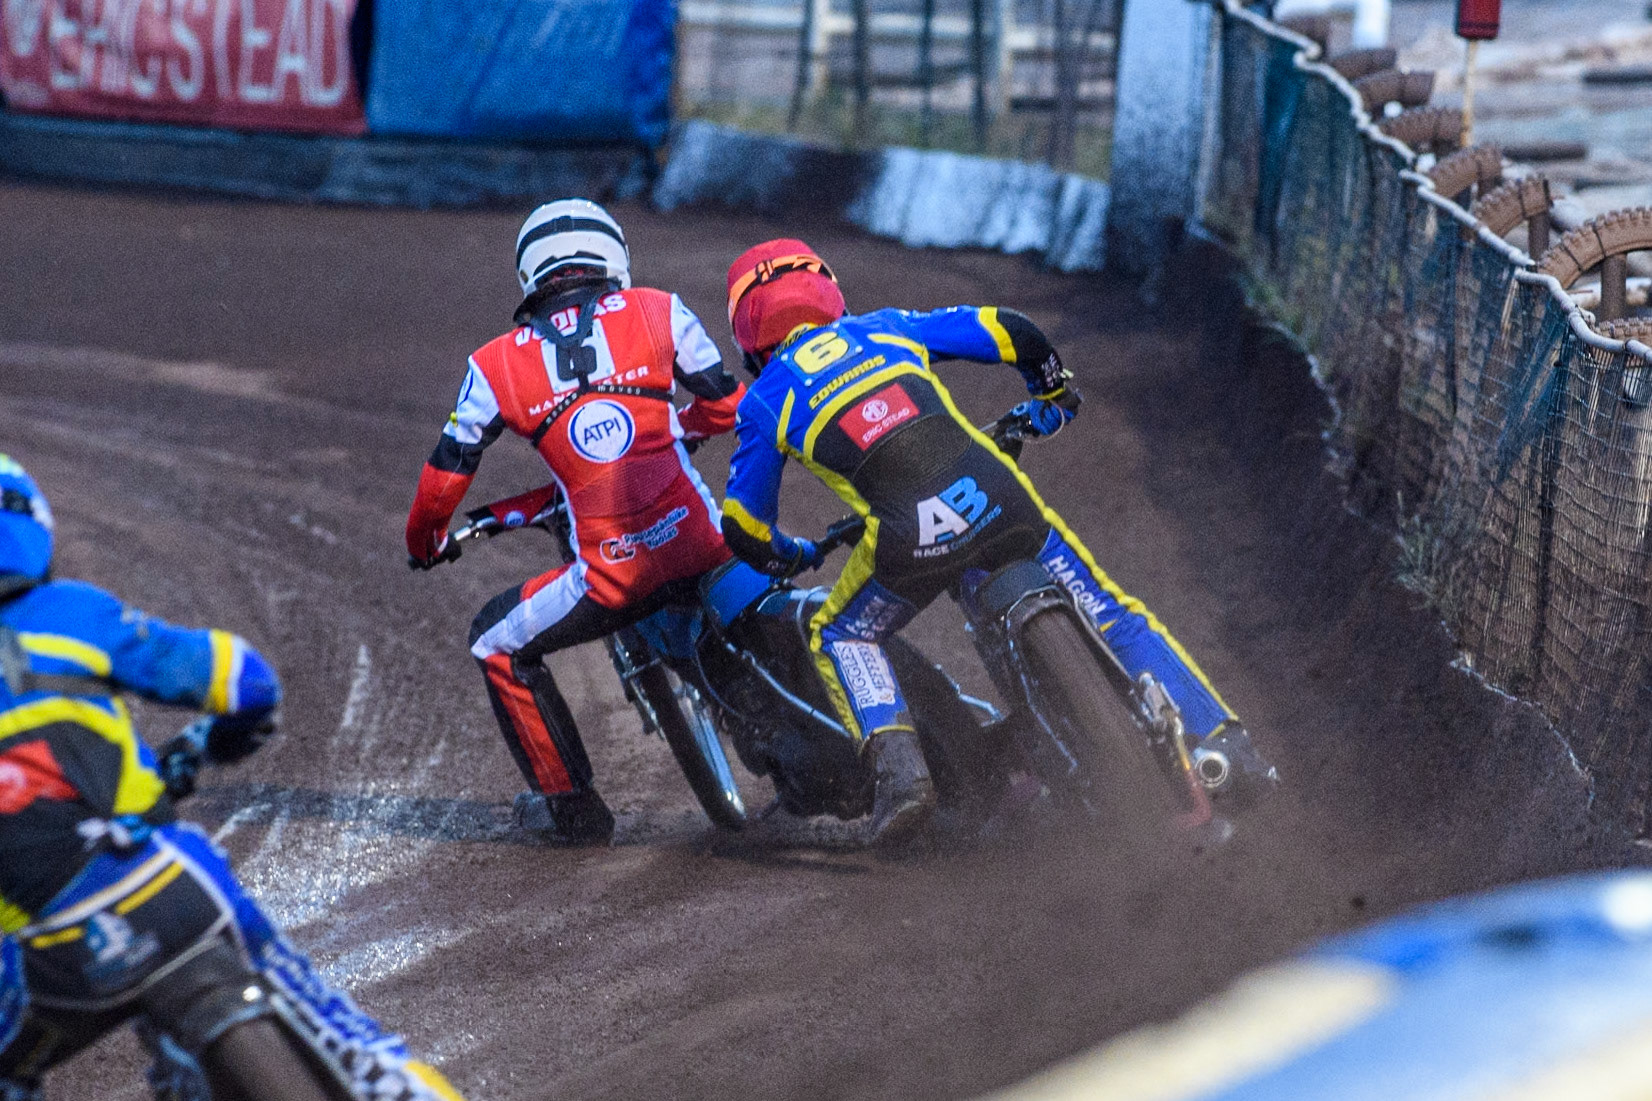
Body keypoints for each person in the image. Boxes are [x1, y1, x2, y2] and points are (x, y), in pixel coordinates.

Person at [719, 239, 1279, 843]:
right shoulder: (883, 329)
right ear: (828, 292)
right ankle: (1228, 744)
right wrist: (1052, 393)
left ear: (749, 340)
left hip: (908, 540)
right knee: (1111, 612)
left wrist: (794, 554)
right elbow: (1009, 329)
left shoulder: (764, 402)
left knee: (837, 633)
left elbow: (743, 526)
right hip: (996, 495)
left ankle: (903, 777)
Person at [0, 455, 465, 1101]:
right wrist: (207, 747)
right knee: (357, 1049)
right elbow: (247, 682)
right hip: (167, 883)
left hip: (40, 958)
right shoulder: (72, 614)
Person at [405, 199, 747, 845]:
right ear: (614, 256)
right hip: (703, 540)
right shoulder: (661, 308)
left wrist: (425, 542)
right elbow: (728, 407)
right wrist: (672, 431)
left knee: (493, 641)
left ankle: (575, 812)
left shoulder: (493, 364)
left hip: (612, 578)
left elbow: (446, 472)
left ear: (528, 273)